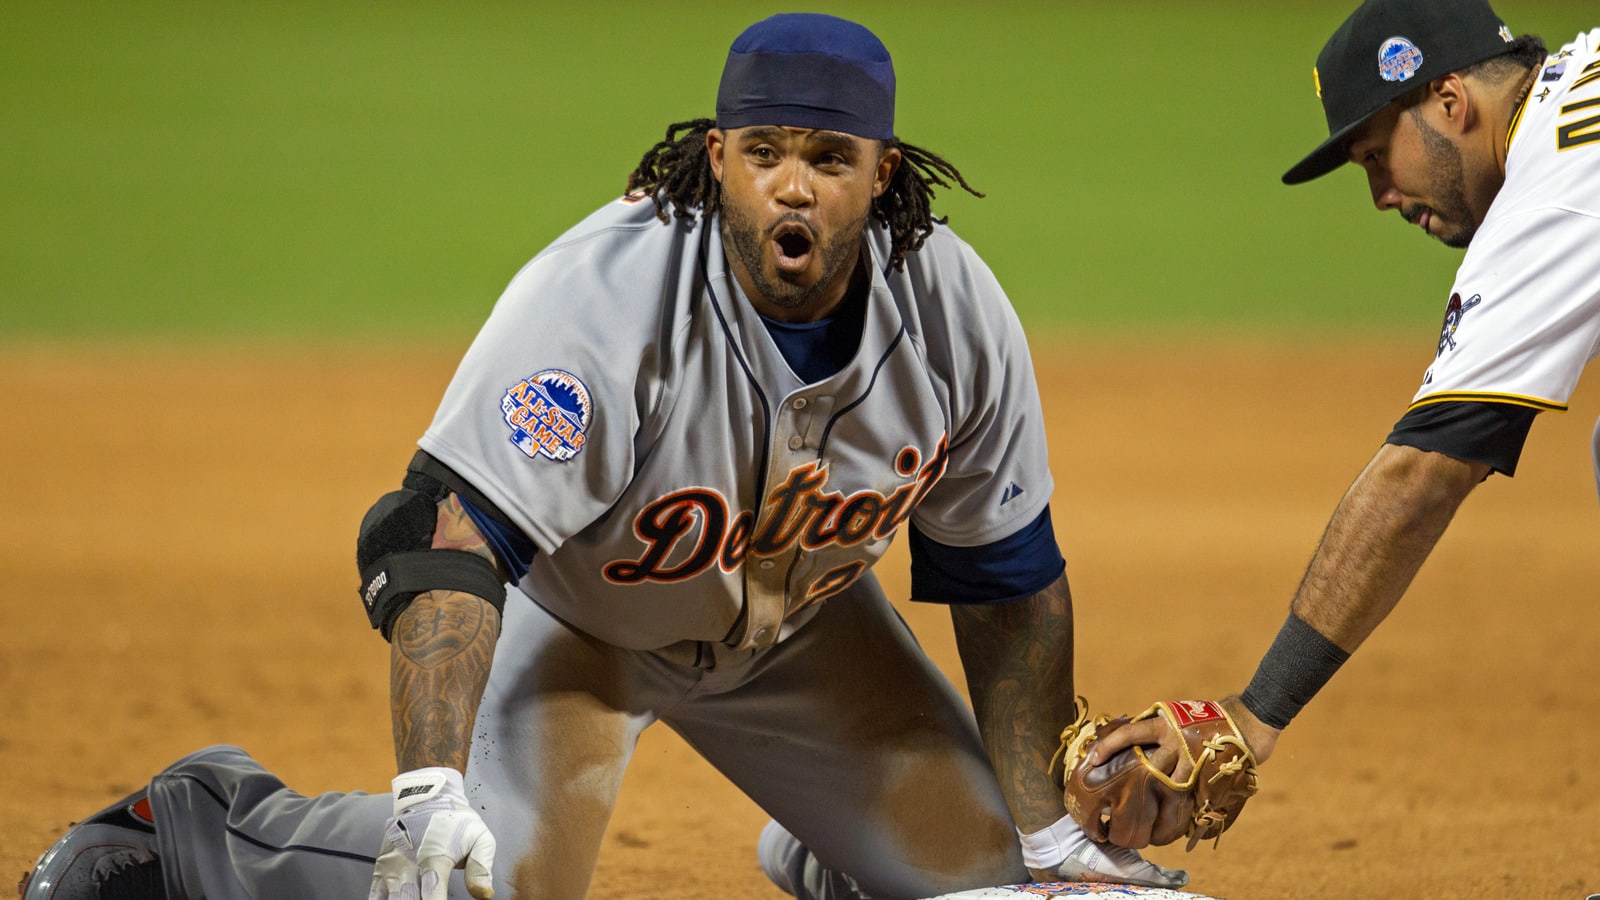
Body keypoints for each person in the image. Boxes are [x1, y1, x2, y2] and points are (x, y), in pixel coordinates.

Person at [19, 13, 1189, 900]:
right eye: (766, 150)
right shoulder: (601, 304)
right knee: (466, 885)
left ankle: (838, 851)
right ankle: (211, 822)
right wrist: (427, 789)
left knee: (1019, 892)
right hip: (579, 635)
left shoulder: (954, 313)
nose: (793, 182)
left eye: (829, 157)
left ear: (881, 173)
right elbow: (443, 541)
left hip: (806, 644)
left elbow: (1005, 581)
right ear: (718, 156)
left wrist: (1045, 827)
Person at [1084, 0, 1600, 846]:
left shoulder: (1559, 186)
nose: (1379, 196)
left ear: (1448, 101)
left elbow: (1425, 472)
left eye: (1375, 156)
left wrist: (1252, 717)